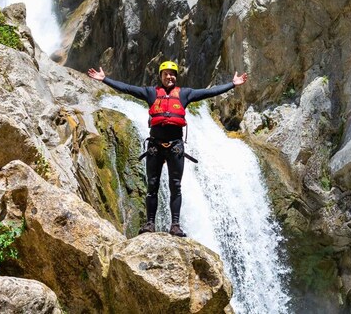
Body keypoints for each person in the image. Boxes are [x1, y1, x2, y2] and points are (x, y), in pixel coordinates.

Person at [87, 60, 248, 237]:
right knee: (152, 186)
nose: (169, 77)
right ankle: (149, 224)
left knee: (175, 186)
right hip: (155, 147)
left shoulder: (185, 94)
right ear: (161, 76)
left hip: (175, 148)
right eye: (166, 74)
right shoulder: (150, 93)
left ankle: (175, 225)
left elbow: (209, 92)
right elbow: (127, 88)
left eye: (172, 74)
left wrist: (232, 84)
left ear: (176, 77)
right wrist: (104, 80)